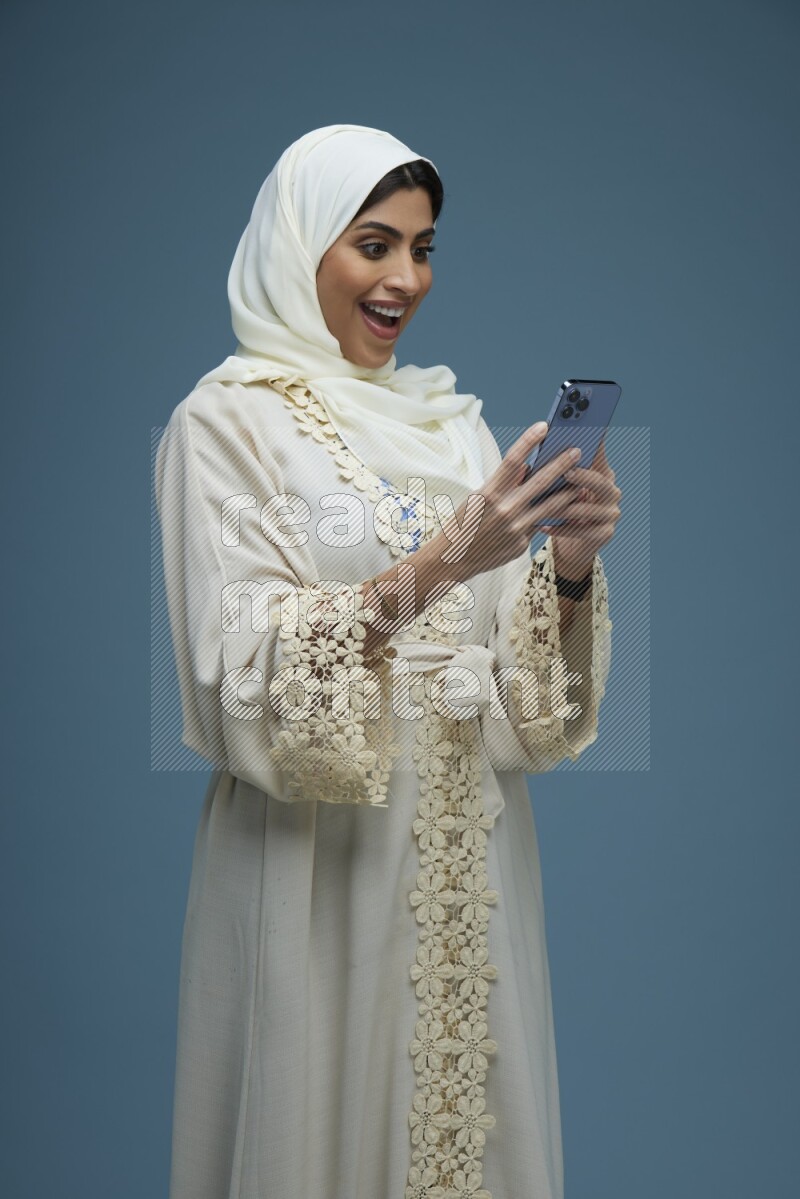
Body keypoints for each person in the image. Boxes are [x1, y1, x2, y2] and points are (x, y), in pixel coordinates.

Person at [155, 124, 620, 1199]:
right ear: (298, 244)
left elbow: (524, 709)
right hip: (317, 858)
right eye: (373, 244)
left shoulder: (455, 427)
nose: (404, 278)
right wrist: (453, 555)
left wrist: (568, 566)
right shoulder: (224, 426)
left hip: (469, 858)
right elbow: (244, 665)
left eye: (422, 248)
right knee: (313, 1126)